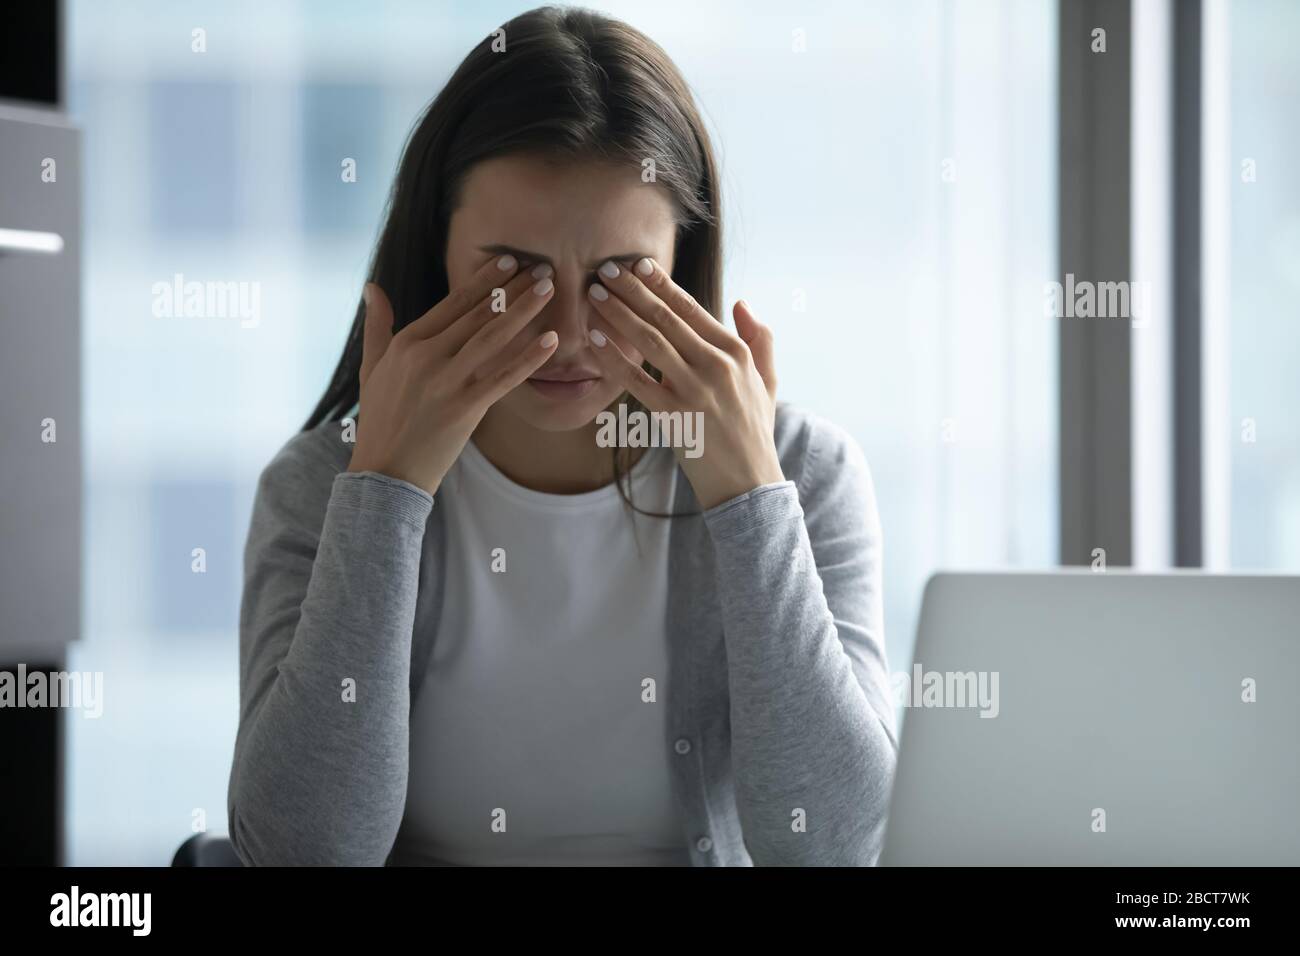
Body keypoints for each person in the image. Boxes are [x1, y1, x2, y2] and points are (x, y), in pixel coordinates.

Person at [226, 4, 896, 866]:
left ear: (683, 268)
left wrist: (748, 496)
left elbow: (833, 848)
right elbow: (299, 851)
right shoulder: (323, 486)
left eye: (622, 277)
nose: (570, 334)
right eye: (515, 275)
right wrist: (384, 491)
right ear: (437, 257)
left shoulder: (805, 473)